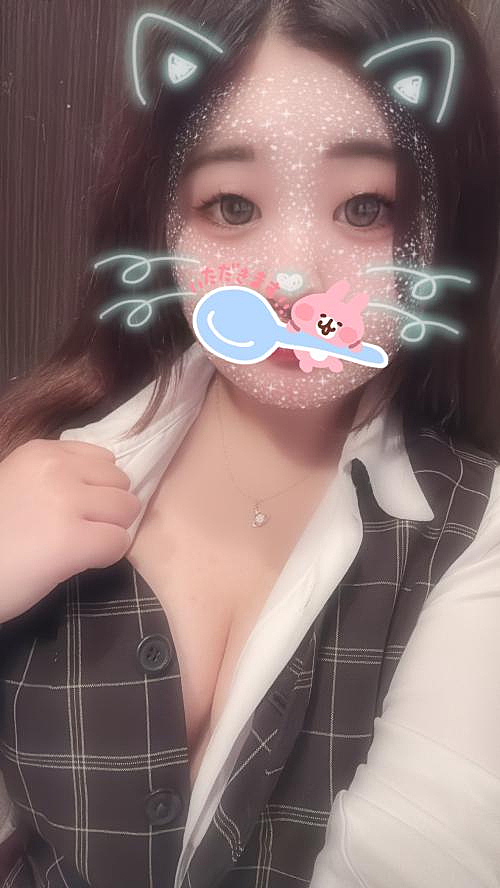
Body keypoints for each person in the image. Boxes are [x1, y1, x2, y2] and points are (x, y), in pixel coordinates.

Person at [0, 1, 499, 886]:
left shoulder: (478, 537)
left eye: (366, 207)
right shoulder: (34, 452)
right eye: (232, 205)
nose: (293, 274)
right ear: (162, 217)